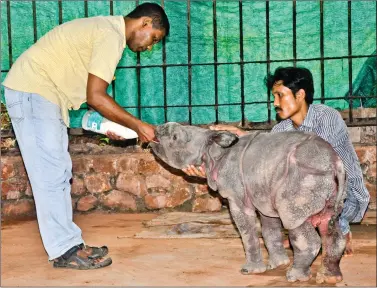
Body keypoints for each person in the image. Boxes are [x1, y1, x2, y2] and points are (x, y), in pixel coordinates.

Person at [2, 3, 169, 269]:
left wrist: (107, 126)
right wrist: (138, 125)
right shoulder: (111, 35)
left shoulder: (106, 31)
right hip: (34, 90)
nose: (149, 47)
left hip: (43, 93)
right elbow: (97, 96)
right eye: (154, 39)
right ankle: (65, 250)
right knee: (50, 172)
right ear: (146, 22)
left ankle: (68, 244)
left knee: (58, 171)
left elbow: (91, 100)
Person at [183, 67, 370, 256]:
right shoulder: (283, 128)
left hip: (344, 197)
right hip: (312, 197)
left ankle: (338, 229)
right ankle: (303, 230)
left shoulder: (327, 116)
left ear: (300, 95)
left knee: (307, 175)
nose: (275, 103)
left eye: (280, 95)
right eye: (274, 97)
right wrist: (212, 169)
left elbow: (318, 163)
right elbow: (264, 156)